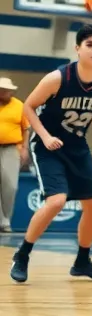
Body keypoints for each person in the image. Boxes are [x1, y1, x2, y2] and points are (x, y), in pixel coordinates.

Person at [10, 24, 92, 283]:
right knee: (56, 201)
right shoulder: (58, 78)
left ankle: (82, 261)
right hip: (48, 146)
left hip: (77, 146)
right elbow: (29, 107)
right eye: (89, 45)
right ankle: (22, 255)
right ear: (77, 48)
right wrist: (45, 137)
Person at [0, 76, 30, 232]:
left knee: (11, 185)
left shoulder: (19, 106)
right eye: (3, 91)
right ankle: (3, 222)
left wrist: (24, 148)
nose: (6, 93)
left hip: (12, 148)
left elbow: (26, 129)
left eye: (8, 91)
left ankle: (6, 218)